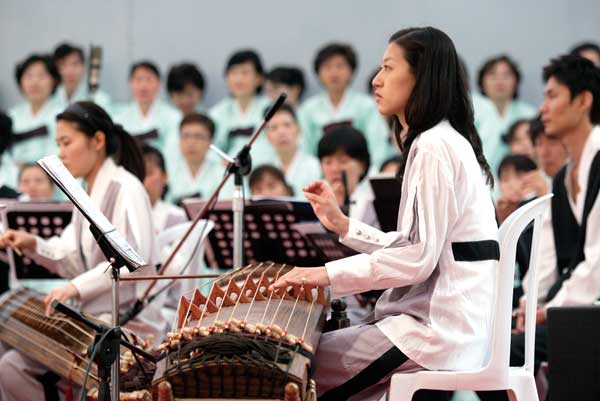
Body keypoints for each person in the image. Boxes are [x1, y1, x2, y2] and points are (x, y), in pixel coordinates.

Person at [271, 27, 499, 401]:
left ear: (420, 76)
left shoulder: (434, 145)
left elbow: (417, 259)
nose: (377, 79)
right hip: (440, 326)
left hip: (433, 333)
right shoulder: (439, 140)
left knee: (284, 367)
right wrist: (345, 226)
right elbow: (419, 248)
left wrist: (324, 275)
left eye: (388, 68)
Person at [0, 101, 164, 401]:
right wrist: (33, 243)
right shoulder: (86, 192)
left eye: (67, 142)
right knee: (6, 353)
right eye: (58, 144)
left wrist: (74, 287)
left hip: (127, 322)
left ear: (97, 141)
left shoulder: (126, 187)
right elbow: (70, 256)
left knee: (10, 367)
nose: (61, 152)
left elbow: (130, 259)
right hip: (93, 319)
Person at [478, 54, 600, 401]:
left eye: (552, 96)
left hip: (587, 308)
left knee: (504, 352)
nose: (543, 108)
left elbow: (595, 263)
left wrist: (547, 312)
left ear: (583, 101)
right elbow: (546, 261)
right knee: (488, 352)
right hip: (581, 306)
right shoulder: (564, 176)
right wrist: (529, 307)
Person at [298, 42, 392, 168]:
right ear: (318, 73)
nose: (334, 72)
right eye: (327, 67)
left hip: (362, 176)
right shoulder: (307, 109)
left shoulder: (367, 105)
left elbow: (378, 147)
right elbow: (304, 149)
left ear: (351, 71)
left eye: (340, 66)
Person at [474, 55, 537, 177]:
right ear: (482, 81)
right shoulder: (469, 110)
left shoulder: (530, 114)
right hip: (478, 179)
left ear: (516, 81)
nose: (499, 81)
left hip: (521, 181)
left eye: (506, 75)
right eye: (492, 75)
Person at [209, 49, 274, 167]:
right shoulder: (217, 113)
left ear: (259, 78)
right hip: (229, 171)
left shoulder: (271, 108)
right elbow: (211, 147)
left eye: (245, 73)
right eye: (233, 73)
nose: (238, 79)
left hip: (264, 169)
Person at [112, 60, 182, 152]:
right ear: (130, 83)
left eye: (149, 79)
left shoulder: (173, 117)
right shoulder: (119, 118)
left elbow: (172, 151)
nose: (143, 86)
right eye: (138, 80)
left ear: (159, 83)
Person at [8, 53, 61, 167]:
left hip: (51, 178)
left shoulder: (63, 115)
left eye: (41, 76)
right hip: (15, 179)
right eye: (29, 76)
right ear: (21, 82)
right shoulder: (12, 116)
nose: (35, 82)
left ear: (54, 81)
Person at [166, 113, 227, 203]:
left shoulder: (223, 172)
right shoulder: (168, 172)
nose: (191, 142)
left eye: (198, 137)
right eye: (186, 136)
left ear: (211, 141)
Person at [263, 103, 321, 196]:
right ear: (267, 136)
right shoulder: (264, 170)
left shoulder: (314, 166)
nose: (281, 132)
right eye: (274, 128)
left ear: (298, 129)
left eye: (287, 125)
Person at [52, 42, 111, 110]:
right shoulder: (49, 98)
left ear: (83, 67)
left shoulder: (99, 100)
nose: (69, 70)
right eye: (63, 64)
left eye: (75, 64)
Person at [142, 144, 187, 234]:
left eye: (148, 173)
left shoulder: (178, 217)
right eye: (136, 174)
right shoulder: (121, 214)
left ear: (164, 176)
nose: (141, 180)